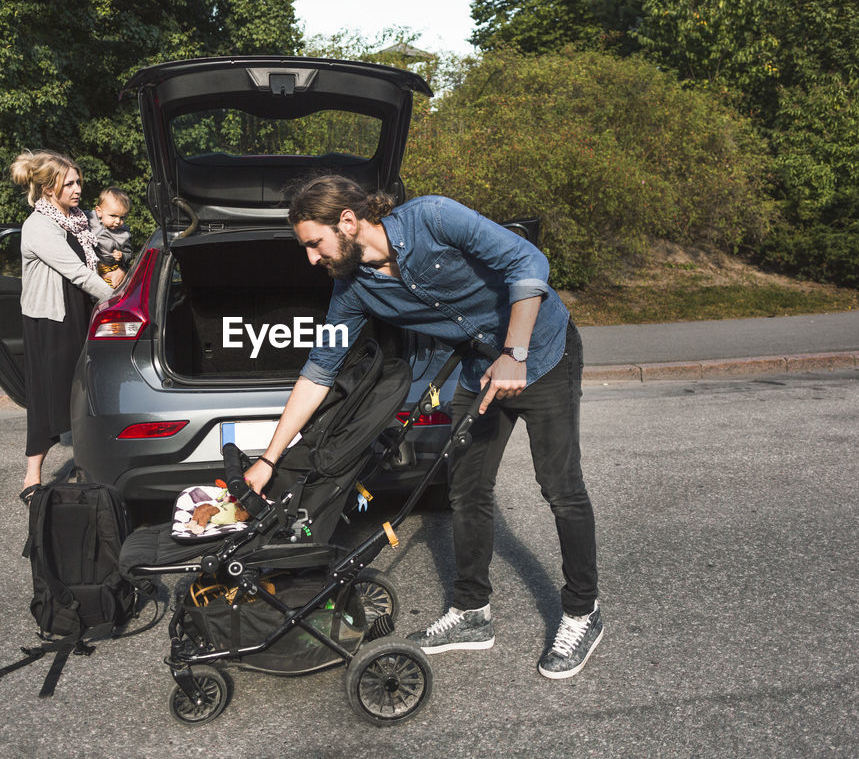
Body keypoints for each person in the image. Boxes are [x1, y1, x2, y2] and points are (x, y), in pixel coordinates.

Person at [243, 175, 602, 680]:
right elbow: (319, 370)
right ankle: (472, 612)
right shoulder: (352, 290)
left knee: (560, 488)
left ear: (347, 222)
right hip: (482, 368)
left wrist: (515, 352)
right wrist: (268, 458)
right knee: (467, 489)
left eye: (313, 243)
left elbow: (528, 261)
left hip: (541, 352)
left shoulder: (433, 218)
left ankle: (582, 611)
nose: (311, 258)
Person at [11, 151, 124, 496]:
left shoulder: (77, 219)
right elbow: (76, 272)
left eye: (79, 182)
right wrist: (116, 299)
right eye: (69, 183)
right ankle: (32, 476)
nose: (78, 189)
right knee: (49, 395)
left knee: (84, 389)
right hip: (51, 319)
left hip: (78, 311)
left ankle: (91, 464)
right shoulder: (39, 226)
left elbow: (100, 253)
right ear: (48, 189)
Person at [87, 186, 134, 285]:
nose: (118, 221)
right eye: (113, 216)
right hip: (92, 265)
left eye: (122, 218)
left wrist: (122, 256)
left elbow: (129, 253)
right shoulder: (91, 218)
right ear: (99, 211)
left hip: (109, 269)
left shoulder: (123, 234)